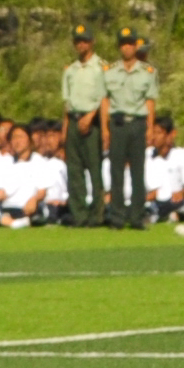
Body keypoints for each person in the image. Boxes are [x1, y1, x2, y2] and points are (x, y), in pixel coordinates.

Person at [100, 33, 159, 225]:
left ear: (135, 47)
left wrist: (150, 128)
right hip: (117, 124)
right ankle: (117, 216)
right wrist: (105, 129)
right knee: (116, 171)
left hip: (138, 123)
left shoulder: (148, 72)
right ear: (119, 47)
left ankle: (137, 216)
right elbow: (105, 101)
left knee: (137, 171)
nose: (126, 48)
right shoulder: (109, 71)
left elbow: (150, 102)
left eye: (130, 44)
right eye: (123, 44)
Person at [58, 26, 108, 227]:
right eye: (78, 41)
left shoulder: (101, 67)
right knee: (74, 171)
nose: (81, 45)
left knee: (95, 170)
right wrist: (64, 131)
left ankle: (96, 216)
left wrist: (95, 121)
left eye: (85, 41)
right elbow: (67, 103)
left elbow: (104, 98)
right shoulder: (70, 70)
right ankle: (79, 215)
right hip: (73, 120)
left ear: (92, 42)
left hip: (92, 122)